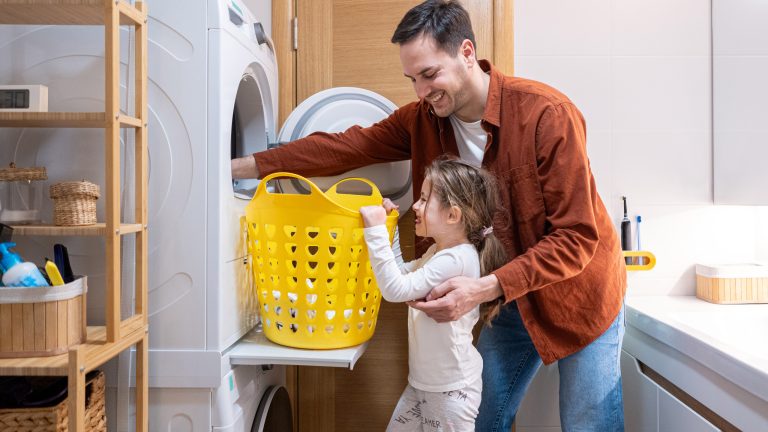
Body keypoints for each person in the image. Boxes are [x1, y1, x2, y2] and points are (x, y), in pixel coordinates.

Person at [231, 1, 627, 430]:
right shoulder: (422, 120)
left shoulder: (545, 114)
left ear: (467, 52)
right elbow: (345, 147)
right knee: (480, 419)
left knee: (588, 424)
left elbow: (576, 237)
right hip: (506, 297)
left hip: (578, 293)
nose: (421, 91)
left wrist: (483, 288)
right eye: (412, 79)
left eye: (430, 74)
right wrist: (243, 167)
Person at [359, 157, 505, 431]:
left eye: (424, 200)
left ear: (453, 215)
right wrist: (389, 227)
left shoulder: (456, 259)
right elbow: (400, 275)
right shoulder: (438, 253)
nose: (416, 205)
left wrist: (375, 230)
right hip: (426, 384)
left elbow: (394, 290)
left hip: (450, 391)